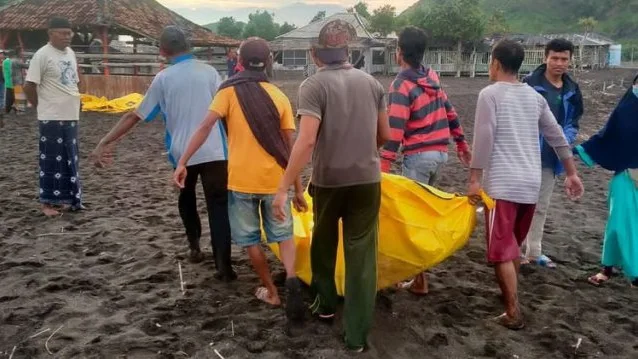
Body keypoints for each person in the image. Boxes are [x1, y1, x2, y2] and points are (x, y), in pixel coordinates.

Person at [273, 19, 390, 352]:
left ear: (315, 53)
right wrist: (365, 154)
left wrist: (283, 187)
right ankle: (355, 337)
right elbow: (386, 135)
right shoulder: (373, 84)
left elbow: (306, 140)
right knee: (361, 256)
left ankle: (325, 306)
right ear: (349, 50)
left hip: (328, 181)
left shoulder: (312, 86)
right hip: (367, 181)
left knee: (323, 243)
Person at [173, 37, 306, 320]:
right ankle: (292, 279)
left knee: (250, 241)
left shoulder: (228, 92)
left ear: (240, 62)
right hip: (275, 183)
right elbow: (289, 149)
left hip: (240, 182)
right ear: (268, 62)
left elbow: (206, 126)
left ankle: (270, 290)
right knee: (284, 238)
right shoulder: (279, 95)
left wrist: (183, 161)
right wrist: (297, 189)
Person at [90, 26, 236, 280]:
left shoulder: (164, 78)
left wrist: (105, 141)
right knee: (219, 207)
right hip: (214, 151)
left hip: (182, 154)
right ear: (189, 46)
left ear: (162, 51)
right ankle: (223, 265)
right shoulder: (210, 72)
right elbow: (226, 112)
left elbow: (135, 115)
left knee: (186, 199)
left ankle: (194, 247)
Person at [469, 39, 584, 329]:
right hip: (530, 184)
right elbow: (558, 136)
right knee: (513, 246)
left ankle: (512, 310)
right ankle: (511, 297)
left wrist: (474, 179)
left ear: (494, 63)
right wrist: (572, 173)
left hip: (503, 186)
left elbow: (483, 138)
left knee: (500, 251)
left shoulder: (490, 94)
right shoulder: (534, 97)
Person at [380, 26, 472, 296]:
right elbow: (449, 110)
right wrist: (461, 142)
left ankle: (416, 279)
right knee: (420, 215)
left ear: (399, 52)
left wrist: (384, 163)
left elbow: (395, 127)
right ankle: (419, 279)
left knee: (410, 221)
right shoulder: (431, 76)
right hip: (440, 155)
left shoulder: (401, 84)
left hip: (419, 157)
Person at [521, 38, 583, 268]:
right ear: (545, 57)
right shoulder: (529, 84)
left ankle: (534, 252)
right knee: (519, 204)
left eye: (564, 59)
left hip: (552, 158)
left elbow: (574, 121)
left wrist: (563, 141)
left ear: (570, 60)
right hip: (526, 153)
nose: (559, 63)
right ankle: (512, 249)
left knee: (541, 205)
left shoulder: (572, 89)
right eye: (554, 58)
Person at [577, 74, 638, 287]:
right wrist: (583, 149)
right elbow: (607, 135)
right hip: (628, 174)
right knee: (618, 224)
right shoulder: (625, 110)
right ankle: (608, 268)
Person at [24, 17, 82, 217]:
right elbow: (29, 86)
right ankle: (48, 204)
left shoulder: (71, 53)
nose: (68, 37)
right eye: (63, 33)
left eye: (70, 33)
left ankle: (69, 199)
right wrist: (41, 107)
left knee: (69, 159)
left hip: (71, 115)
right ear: (51, 34)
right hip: (51, 116)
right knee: (50, 161)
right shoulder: (42, 55)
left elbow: (75, 80)